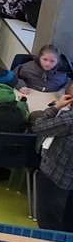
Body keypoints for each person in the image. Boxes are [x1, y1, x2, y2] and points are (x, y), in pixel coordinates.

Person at [30, 84, 73, 231]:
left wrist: (56, 107)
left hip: (55, 175)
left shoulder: (68, 120)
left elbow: (38, 126)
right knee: (67, 223)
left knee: (48, 222)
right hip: (68, 178)